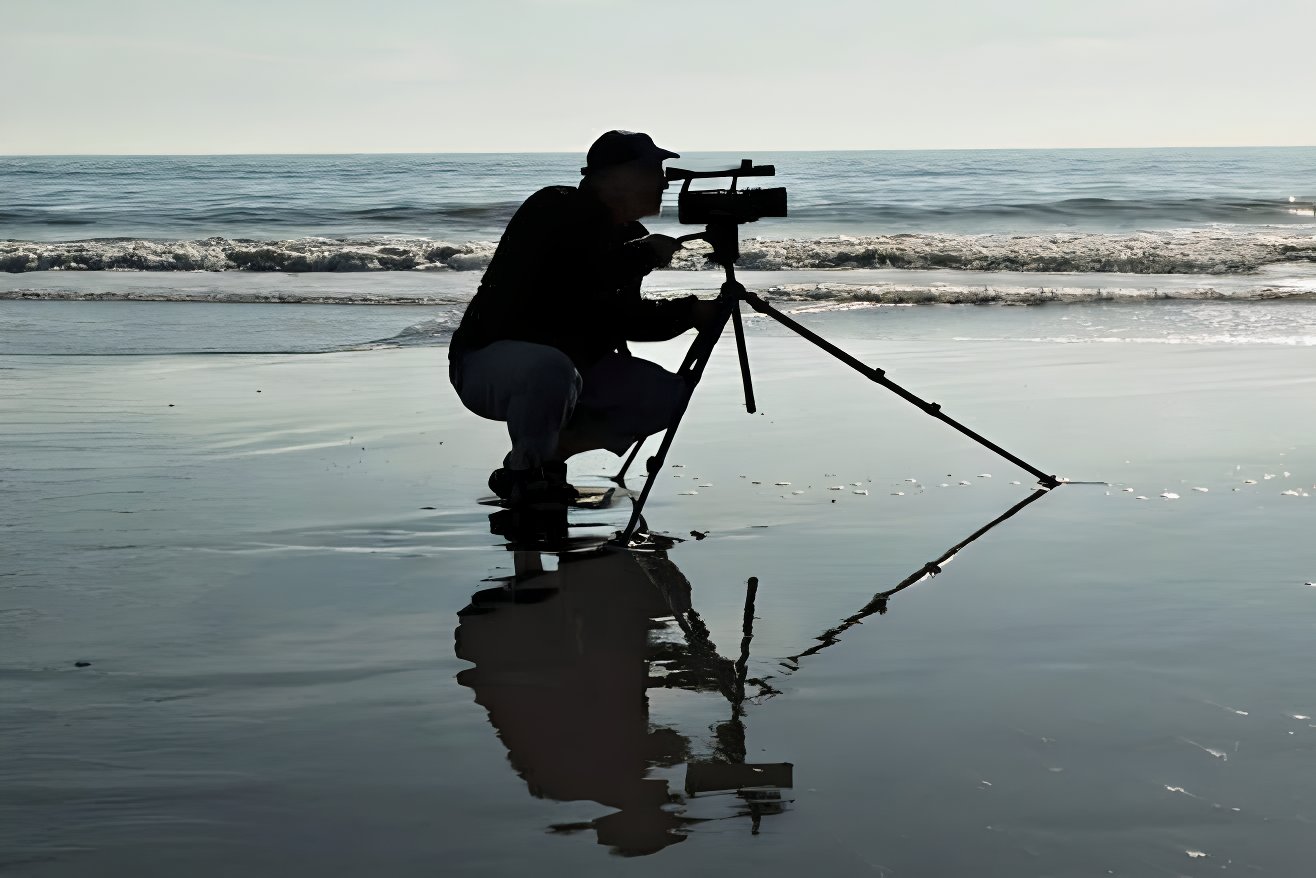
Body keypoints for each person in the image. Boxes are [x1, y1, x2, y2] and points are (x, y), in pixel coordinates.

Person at [449, 131, 719, 506]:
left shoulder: (630, 235)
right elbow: (573, 281)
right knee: (549, 367)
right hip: (486, 363)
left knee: (666, 396)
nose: (663, 181)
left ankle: (546, 459)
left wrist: (689, 312)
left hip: (572, 371)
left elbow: (624, 319)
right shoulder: (554, 207)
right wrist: (642, 255)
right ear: (614, 176)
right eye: (654, 170)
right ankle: (528, 475)